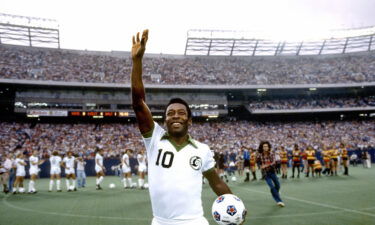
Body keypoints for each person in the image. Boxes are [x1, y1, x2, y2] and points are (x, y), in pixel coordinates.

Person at [130, 29, 239, 225]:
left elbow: (217, 183)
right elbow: (138, 103)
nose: (175, 116)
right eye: (170, 114)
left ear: (189, 121)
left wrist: (235, 207)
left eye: (181, 113)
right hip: (161, 222)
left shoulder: (202, 150)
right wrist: (137, 62)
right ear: (164, 121)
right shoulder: (154, 138)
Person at [257, 141, 285, 207]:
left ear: (269, 147)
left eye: (266, 146)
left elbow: (274, 162)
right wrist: (260, 166)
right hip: (265, 173)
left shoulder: (272, 154)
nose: (265, 148)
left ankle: (276, 193)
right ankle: (279, 201)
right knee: (272, 187)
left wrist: (266, 165)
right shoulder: (260, 155)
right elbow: (258, 162)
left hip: (272, 171)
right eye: (264, 146)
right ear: (262, 147)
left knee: (278, 185)